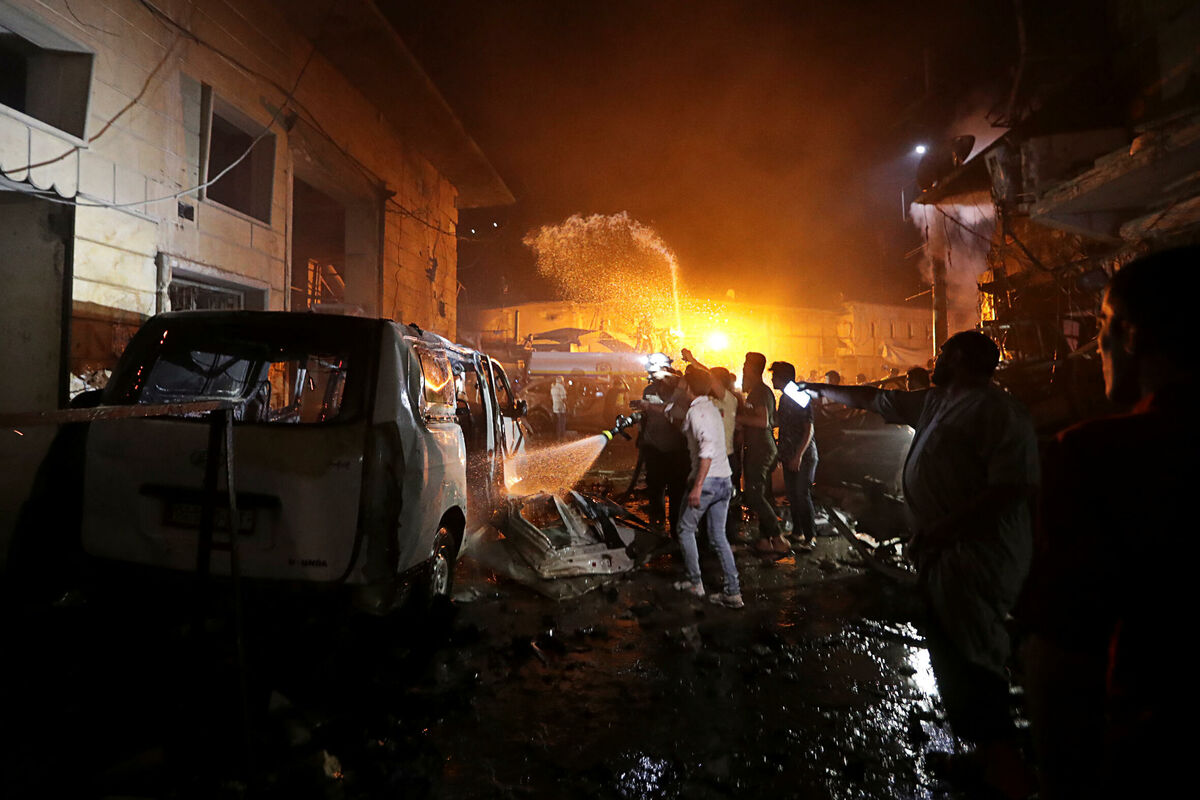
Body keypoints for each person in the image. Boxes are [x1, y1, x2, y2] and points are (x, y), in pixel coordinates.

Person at [799, 331, 1038, 797]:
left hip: (978, 554)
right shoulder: (936, 402)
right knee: (953, 650)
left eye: (943, 352)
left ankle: (1009, 774)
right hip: (942, 552)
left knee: (975, 657)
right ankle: (985, 757)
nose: (936, 359)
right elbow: (875, 400)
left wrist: (943, 529)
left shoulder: (996, 411)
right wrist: (820, 389)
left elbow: (1010, 488)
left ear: (962, 358)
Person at [1019, 247, 1199, 798]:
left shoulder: (1098, 453)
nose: (1097, 344)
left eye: (1103, 324)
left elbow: (1063, 655)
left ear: (1134, 335)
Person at [671, 365, 743, 609]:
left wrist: (697, 487)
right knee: (718, 536)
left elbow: (708, 449)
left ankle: (695, 582)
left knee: (685, 530)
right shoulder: (710, 408)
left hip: (709, 482)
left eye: (684, 384)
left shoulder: (698, 412)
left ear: (689, 388)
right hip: (724, 480)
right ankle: (733, 592)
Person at [632, 355, 690, 535]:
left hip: (677, 450)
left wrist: (648, 406)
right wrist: (640, 429)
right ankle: (657, 524)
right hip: (653, 448)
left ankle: (676, 529)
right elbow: (646, 416)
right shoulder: (649, 390)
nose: (651, 377)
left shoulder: (681, 390)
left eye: (653, 373)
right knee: (655, 487)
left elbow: (677, 413)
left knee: (677, 491)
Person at [737, 351, 784, 553]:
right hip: (758, 448)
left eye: (745, 365)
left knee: (754, 495)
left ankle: (778, 537)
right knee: (764, 495)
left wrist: (737, 418)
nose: (743, 369)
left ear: (752, 369)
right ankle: (765, 540)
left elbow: (763, 421)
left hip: (761, 449)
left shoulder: (761, 392)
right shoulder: (755, 391)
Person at [769, 361, 818, 552]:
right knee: (793, 495)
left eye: (774, 375)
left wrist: (798, 456)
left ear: (782, 377)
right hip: (790, 454)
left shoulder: (797, 395)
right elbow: (782, 422)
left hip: (803, 456)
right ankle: (798, 532)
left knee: (802, 495)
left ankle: (810, 537)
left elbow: (809, 429)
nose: (772, 379)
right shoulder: (785, 397)